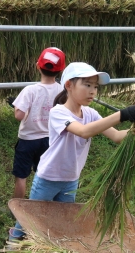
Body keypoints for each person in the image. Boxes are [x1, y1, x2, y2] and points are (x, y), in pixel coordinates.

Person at [9, 62, 135, 241]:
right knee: (30, 218)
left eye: (95, 87)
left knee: (64, 220)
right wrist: (123, 114)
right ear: (68, 85)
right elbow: (84, 131)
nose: (92, 91)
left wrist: (132, 131)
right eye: (87, 84)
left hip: (71, 180)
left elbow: (116, 136)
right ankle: (13, 242)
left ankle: (53, 244)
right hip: (48, 178)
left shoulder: (90, 113)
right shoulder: (58, 112)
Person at [8, 47, 66, 199]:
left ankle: (18, 208)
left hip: (27, 140)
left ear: (37, 66)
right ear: (62, 70)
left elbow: (19, 116)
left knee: (21, 176)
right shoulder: (62, 91)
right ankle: (41, 206)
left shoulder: (30, 90)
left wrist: (16, 106)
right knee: (43, 175)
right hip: (50, 141)